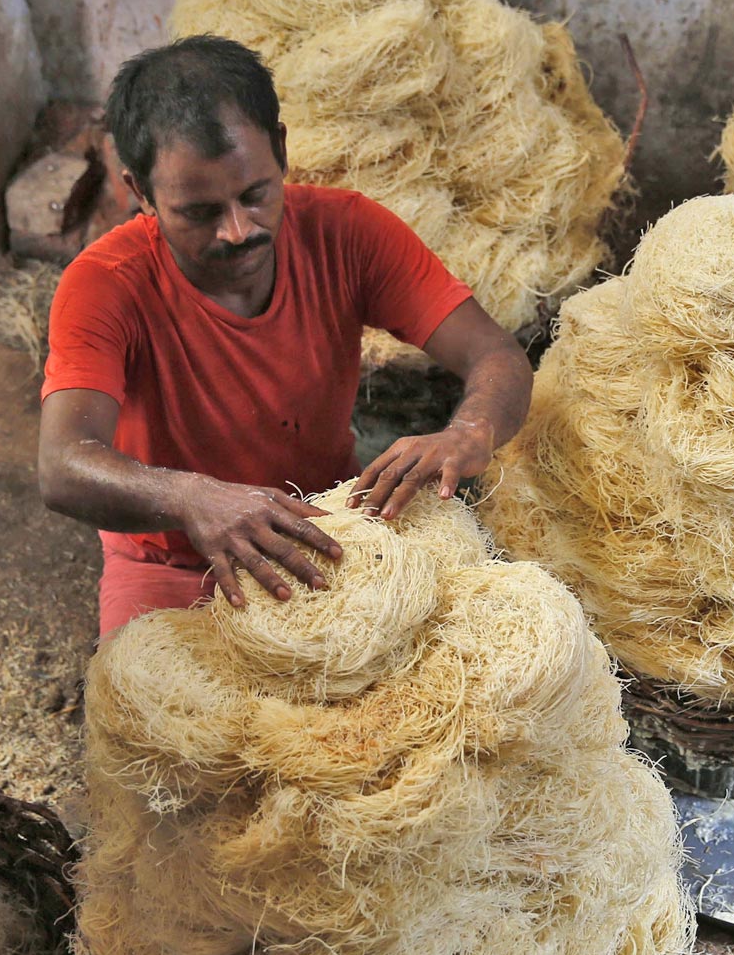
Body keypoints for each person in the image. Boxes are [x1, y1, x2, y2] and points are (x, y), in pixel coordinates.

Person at [37, 35, 532, 637]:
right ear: (138, 192)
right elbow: (63, 465)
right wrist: (194, 499)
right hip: (172, 561)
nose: (240, 230)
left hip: (325, 526)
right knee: (150, 725)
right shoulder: (105, 285)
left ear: (282, 150)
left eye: (255, 194)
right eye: (200, 212)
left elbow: (495, 354)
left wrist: (469, 429)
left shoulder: (347, 232)